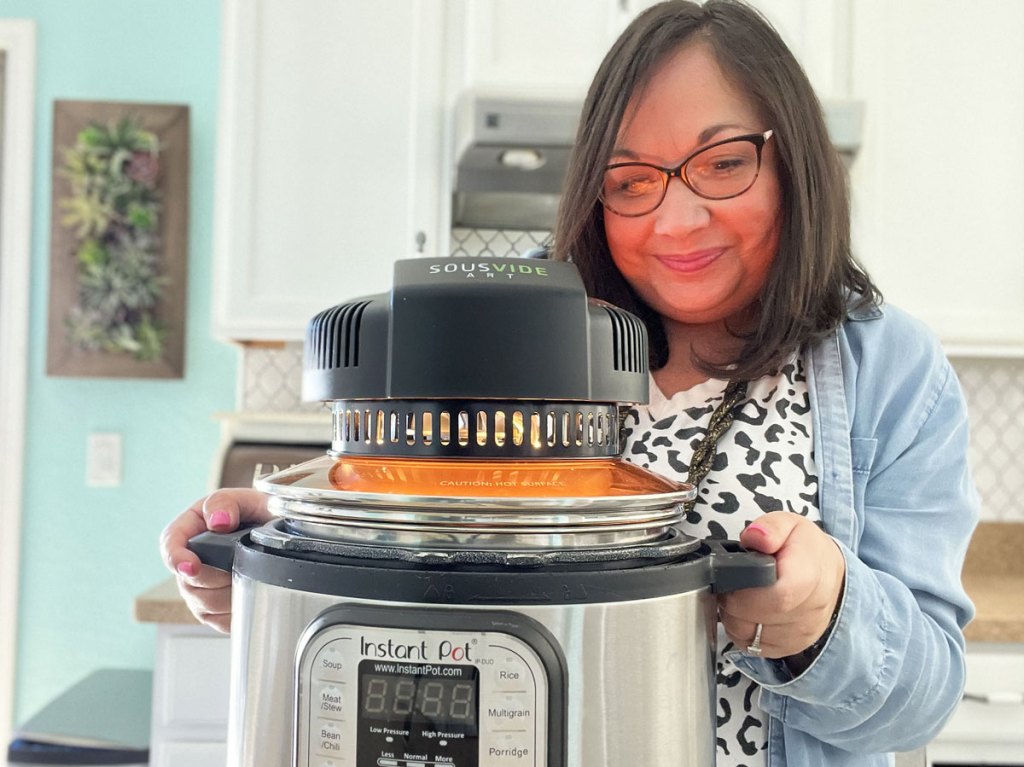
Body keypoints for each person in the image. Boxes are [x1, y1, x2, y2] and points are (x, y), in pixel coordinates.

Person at [161, 1, 979, 765]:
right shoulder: (511, 324)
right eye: (631, 181)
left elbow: (923, 697)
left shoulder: (890, 372)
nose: (676, 219)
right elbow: (430, 559)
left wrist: (829, 614)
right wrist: (296, 562)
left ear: (794, 164)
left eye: (724, 162)